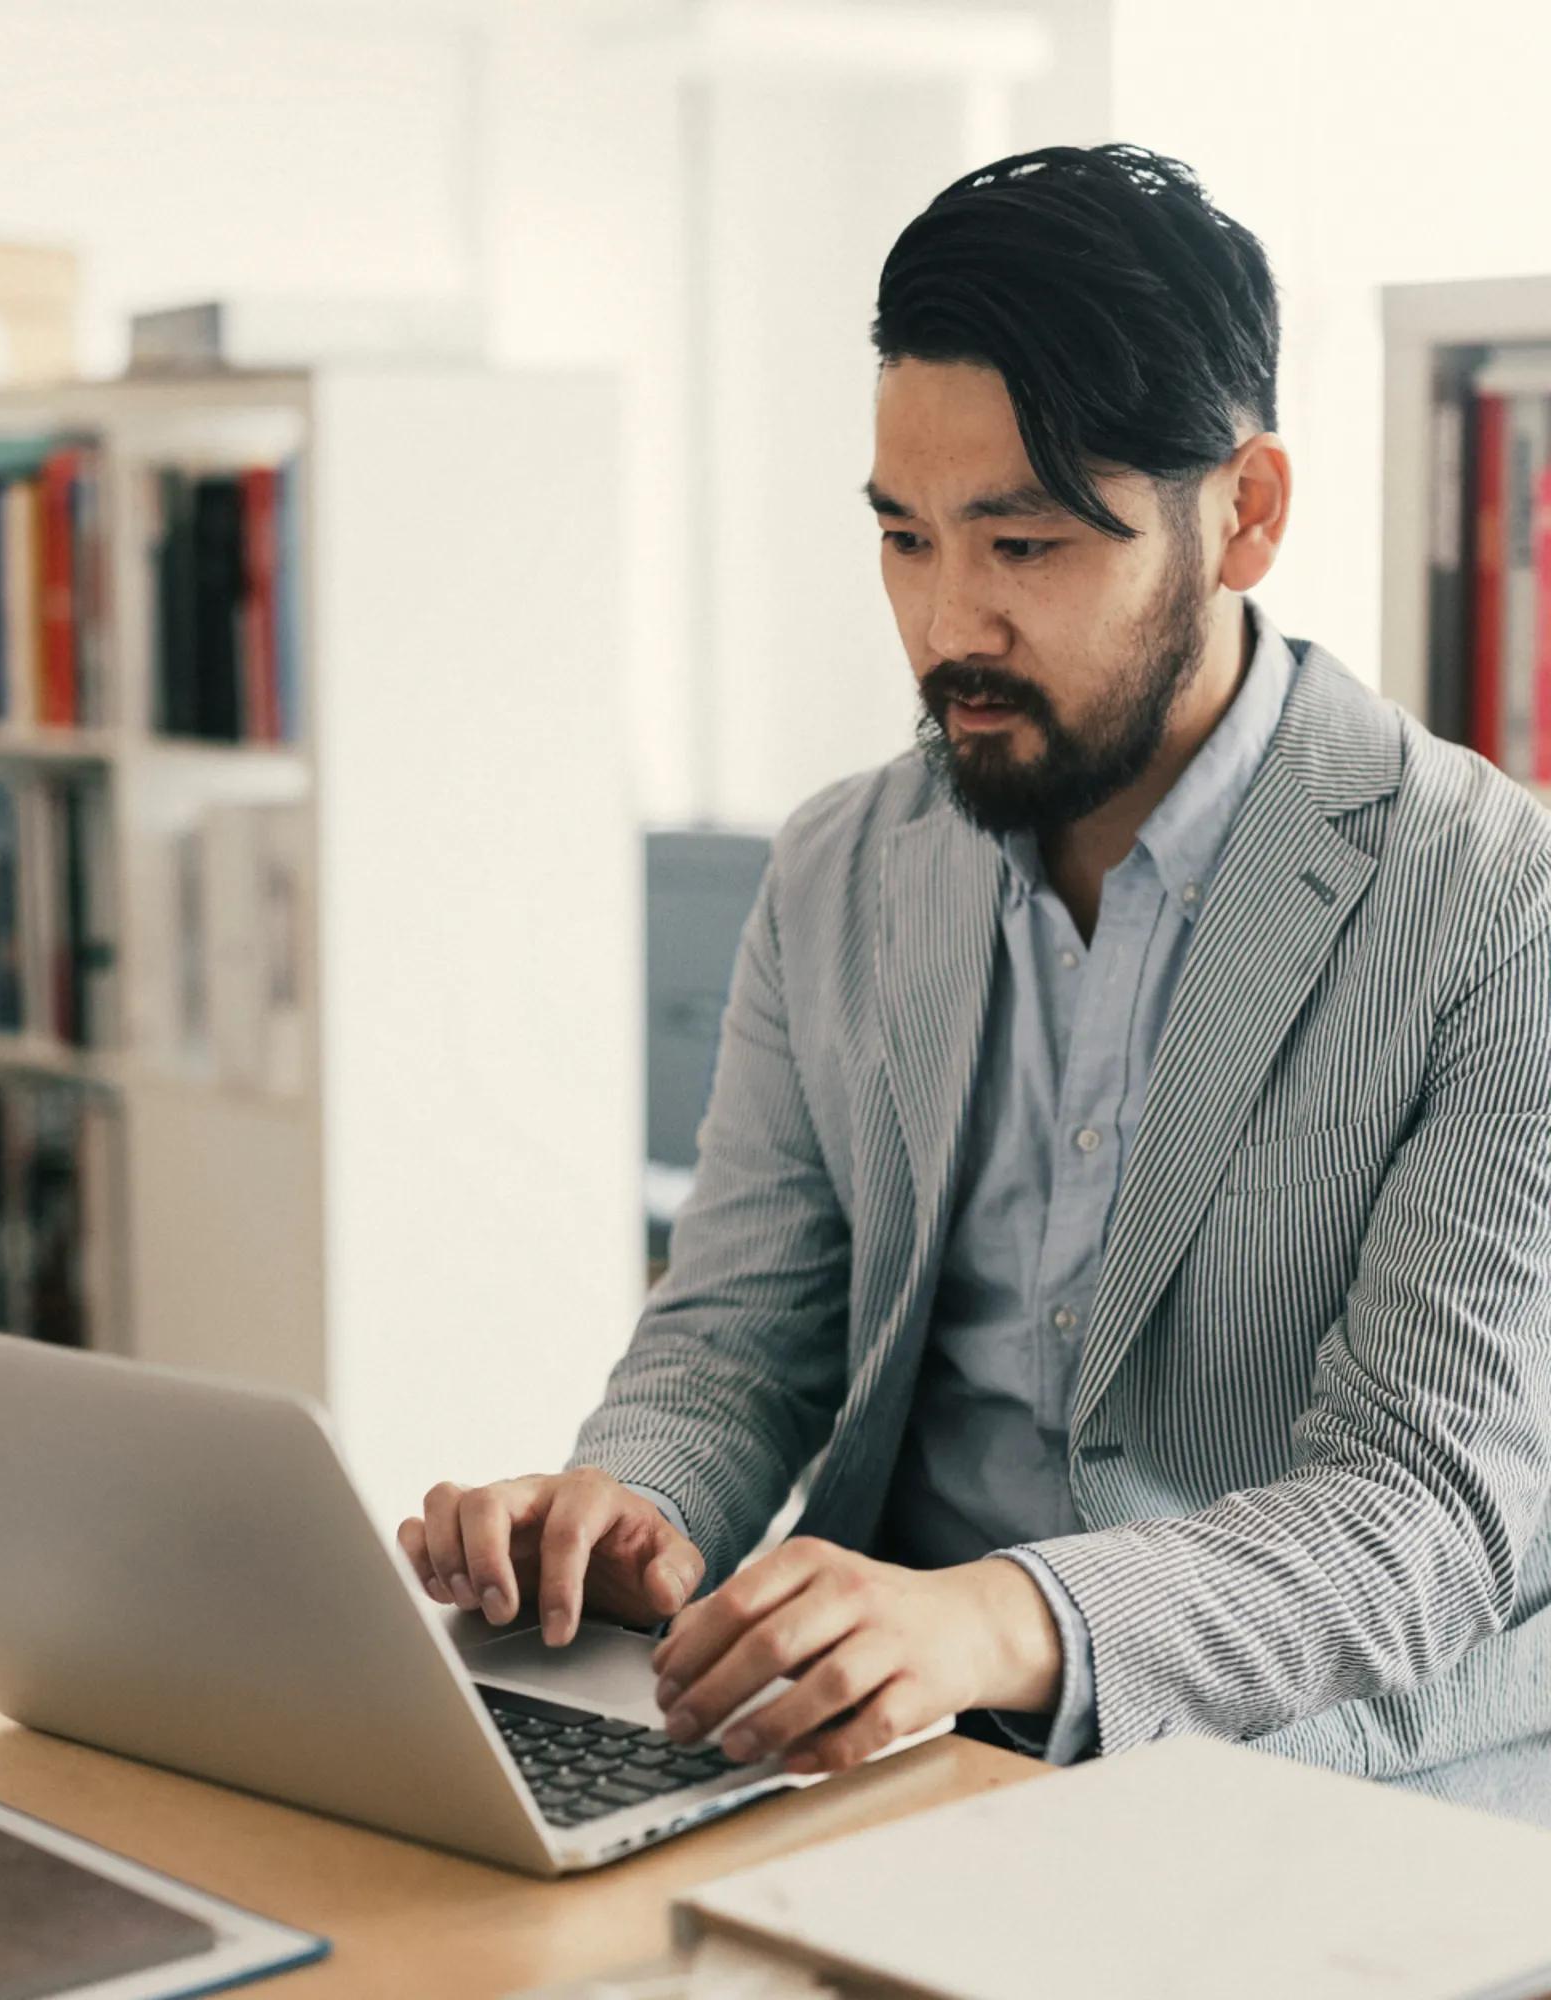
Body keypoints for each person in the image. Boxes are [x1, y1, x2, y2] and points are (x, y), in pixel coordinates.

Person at [399, 143, 1551, 1825]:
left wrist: (1006, 1617)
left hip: (1315, 1787)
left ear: (1246, 513)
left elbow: (1425, 1514)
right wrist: (635, 1505)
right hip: (879, 1754)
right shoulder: (843, 867)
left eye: (1023, 545)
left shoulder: (1493, 904)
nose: (948, 624)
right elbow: (740, 1333)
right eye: (904, 537)